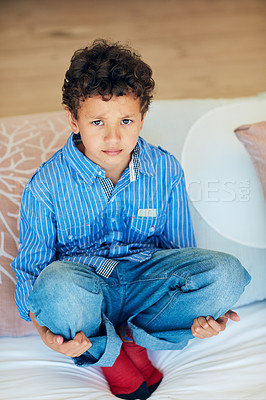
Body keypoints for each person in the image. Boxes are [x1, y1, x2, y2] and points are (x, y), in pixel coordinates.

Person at [11, 39, 251, 400]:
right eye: (97, 122)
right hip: (87, 292)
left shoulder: (164, 169)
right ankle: (112, 358)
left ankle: (132, 335)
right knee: (55, 287)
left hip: (145, 281)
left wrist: (199, 307)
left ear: (142, 118)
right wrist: (46, 327)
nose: (113, 137)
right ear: (73, 120)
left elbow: (178, 251)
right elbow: (32, 271)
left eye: (126, 120)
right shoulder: (46, 185)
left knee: (226, 274)